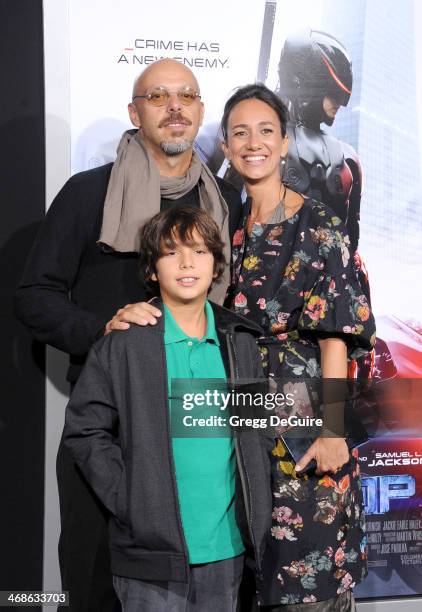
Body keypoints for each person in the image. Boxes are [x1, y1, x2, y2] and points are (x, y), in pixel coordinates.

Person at [14, 59, 242, 611]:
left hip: (200, 434)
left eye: (185, 95)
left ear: (201, 112)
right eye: (157, 96)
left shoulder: (225, 202)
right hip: (113, 430)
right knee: (96, 586)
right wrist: (101, 328)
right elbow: (33, 296)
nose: (173, 106)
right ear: (135, 112)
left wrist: (323, 421)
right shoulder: (89, 193)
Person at [63, 206, 268, 612]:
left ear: (216, 265)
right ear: (153, 270)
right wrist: (130, 501)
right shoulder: (124, 343)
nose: (187, 262)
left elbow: (256, 432)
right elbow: (85, 431)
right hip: (149, 556)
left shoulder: (241, 343)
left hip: (225, 552)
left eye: (199, 251)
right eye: (172, 252)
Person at [220, 84, 376, 610]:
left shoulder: (320, 225)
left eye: (266, 131)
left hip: (305, 428)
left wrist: (334, 431)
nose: (253, 143)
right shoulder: (225, 229)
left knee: (307, 586)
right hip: (237, 423)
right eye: (239, 133)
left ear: (285, 143)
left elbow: (337, 335)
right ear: (224, 146)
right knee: (247, 581)